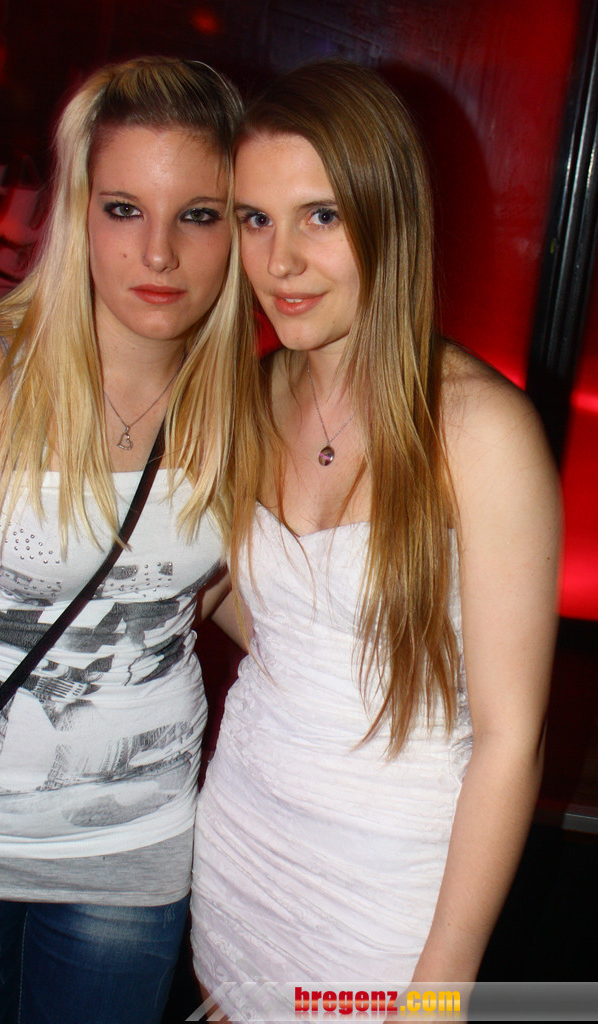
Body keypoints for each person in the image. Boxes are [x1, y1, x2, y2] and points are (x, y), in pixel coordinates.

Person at [191, 59, 561, 1018]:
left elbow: (511, 741)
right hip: (239, 845)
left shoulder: (480, 432)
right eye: (254, 219)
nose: (279, 262)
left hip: (389, 886)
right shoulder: (255, 394)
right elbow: (277, 617)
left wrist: (438, 996)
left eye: (319, 216)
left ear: (389, 215)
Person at [0, 56, 245, 1024]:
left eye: (198, 214)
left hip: (132, 846)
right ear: (78, 214)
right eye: (123, 209)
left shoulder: (243, 406)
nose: (158, 253)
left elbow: (214, 597)